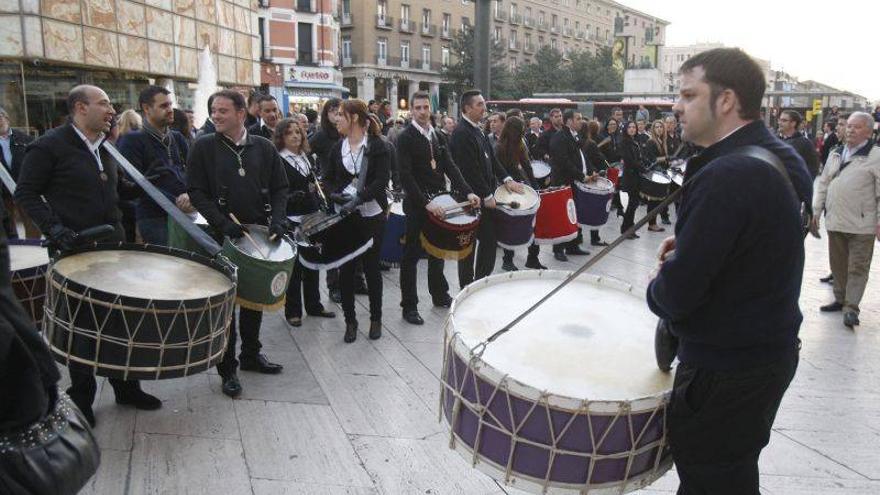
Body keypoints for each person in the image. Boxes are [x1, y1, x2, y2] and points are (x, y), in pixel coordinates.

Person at [647, 48, 812, 494]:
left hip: (725, 367)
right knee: (733, 476)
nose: (676, 106)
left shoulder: (727, 174)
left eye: (687, 94)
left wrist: (659, 283)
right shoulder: (780, 154)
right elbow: (765, 230)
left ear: (725, 100)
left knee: (710, 480)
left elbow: (676, 295)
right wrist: (703, 238)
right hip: (769, 352)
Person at [15, 85, 160, 426]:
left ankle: (127, 387)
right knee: (82, 329)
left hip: (114, 248)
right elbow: (26, 192)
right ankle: (82, 397)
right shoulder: (49, 145)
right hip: (76, 251)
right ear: (81, 108)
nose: (111, 109)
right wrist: (55, 228)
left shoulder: (103, 147)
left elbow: (111, 192)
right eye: (104, 103)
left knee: (121, 322)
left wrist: (139, 186)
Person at [186, 89, 289, 398]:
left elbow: (280, 187)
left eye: (222, 111)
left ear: (242, 113)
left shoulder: (264, 147)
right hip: (222, 236)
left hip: (257, 233)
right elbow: (196, 190)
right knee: (227, 303)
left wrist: (279, 220)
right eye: (213, 111)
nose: (215, 115)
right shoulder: (203, 147)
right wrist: (222, 222)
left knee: (254, 294)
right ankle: (227, 367)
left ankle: (251, 354)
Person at [397, 92, 479, 325]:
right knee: (411, 255)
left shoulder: (439, 136)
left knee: (438, 251)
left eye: (426, 107)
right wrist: (426, 203)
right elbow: (406, 176)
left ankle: (439, 294)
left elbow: (451, 167)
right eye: (418, 108)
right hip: (417, 205)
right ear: (411, 110)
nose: (423, 111)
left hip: (440, 202)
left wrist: (468, 191)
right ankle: (409, 306)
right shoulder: (406, 137)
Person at [323, 99, 390, 343]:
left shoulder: (378, 146)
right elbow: (327, 179)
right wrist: (334, 194)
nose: (337, 119)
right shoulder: (335, 148)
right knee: (346, 270)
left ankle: (375, 318)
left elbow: (381, 181)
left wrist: (359, 197)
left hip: (372, 215)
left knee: (372, 269)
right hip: (346, 218)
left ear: (353, 118)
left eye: (341, 115)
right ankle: (350, 321)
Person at [450, 90, 523, 288]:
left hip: (485, 199)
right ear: (467, 108)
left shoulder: (478, 130)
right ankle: (467, 288)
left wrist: (507, 179)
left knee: (489, 243)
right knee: (468, 248)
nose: (484, 108)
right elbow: (469, 171)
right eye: (480, 104)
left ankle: (480, 282)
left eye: (484, 104)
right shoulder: (461, 133)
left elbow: (493, 161)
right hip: (469, 200)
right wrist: (487, 195)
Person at [813, 112, 879, 329]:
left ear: (869, 132)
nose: (850, 130)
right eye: (849, 126)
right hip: (836, 220)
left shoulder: (875, 156)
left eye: (856, 127)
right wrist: (816, 212)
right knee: (838, 265)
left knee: (858, 267)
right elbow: (823, 184)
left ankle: (851, 308)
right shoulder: (835, 153)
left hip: (863, 224)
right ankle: (840, 299)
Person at [274, 118, 336, 328]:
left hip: (311, 217)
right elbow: (274, 191)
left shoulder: (305, 157)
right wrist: (292, 196)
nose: (295, 136)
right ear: (281, 137)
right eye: (289, 133)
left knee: (313, 263)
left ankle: (314, 305)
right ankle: (293, 310)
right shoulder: (279, 159)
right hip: (291, 219)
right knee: (295, 268)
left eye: (298, 132)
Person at [117, 85, 191, 246]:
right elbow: (132, 184)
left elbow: (192, 172)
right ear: (146, 108)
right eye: (164, 106)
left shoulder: (177, 138)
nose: (170, 109)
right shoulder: (132, 140)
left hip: (186, 214)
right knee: (168, 265)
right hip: (154, 217)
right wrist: (176, 201)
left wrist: (190, 195)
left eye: (171, 105)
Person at [496, 116, 545, 271]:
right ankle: (507, 260)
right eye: (521, 129)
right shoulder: (500, 148)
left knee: (534, 224)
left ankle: (532, 258)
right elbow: (499, 171)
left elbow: (527, 167)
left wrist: (535, 187)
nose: (523, 132)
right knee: (512, 224)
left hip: (524, 187)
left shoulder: (520, 144)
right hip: (509, 190)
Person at [549, 109, 593, 261]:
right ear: (568, 121)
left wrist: (589, 172)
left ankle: (573, 245)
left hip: (575, 183)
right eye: (578, 119)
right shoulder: (560, 137)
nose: (581, 121)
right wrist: (581, 175)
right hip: (563, 183)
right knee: (563, 216)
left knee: (574, 215)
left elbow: (580, 157)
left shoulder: (575, 136)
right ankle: (558, 249)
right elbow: (563, 161)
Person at [0, 106, 36, 239]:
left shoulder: (24, 139)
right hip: (3, 192)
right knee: (7, 222)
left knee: (31, 220)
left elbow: (35, 162)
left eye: (0, 117)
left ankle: (34, 248)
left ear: (7, 118)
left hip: (23, 188)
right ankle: (13, 247)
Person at [578, 121, 609, 246]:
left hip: (580, 178)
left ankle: (578, 236)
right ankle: (594, 237)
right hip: (593, 178)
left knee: (579, 208)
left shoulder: (576, 143)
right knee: (595, 207)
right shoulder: (591, 143)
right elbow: (600, 160)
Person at [641, 120, 670, 232]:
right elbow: (652, 160)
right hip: (654, 175)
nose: (659, 129)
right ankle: (651, 224)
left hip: (661, 174)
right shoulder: (651, 142)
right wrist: (666, 158)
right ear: (653, 129)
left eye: (661, 127)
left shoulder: (662, 141)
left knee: (658, 201)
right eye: (657, 127)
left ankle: (653, 223)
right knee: (653, 201)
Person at [619, 121, 644, 238]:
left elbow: (639, 157)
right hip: (630, 176)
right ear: (626, 129)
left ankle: (630, 227)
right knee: (632, 203)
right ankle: (625, 228)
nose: (632, 129)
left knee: (634, 203)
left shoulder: (635, 141)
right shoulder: (625, 142)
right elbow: (628, 160)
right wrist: (641, 167)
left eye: (634, 127)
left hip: (636, 176)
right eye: (630, 127)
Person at [778, 110, 820, 178]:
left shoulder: (805, 143)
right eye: (779, 120)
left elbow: (813, 168)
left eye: (784, 120)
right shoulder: (776, 139)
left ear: (793, 123)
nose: (780, 123)